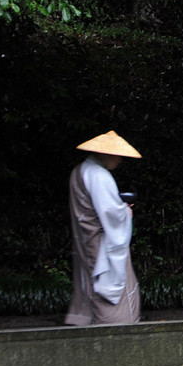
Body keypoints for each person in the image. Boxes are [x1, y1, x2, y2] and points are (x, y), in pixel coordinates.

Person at [66, 130, 142, 326]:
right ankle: (117, 326)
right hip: (102, 242)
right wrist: (125, 212)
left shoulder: (80, 171)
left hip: (86, 238)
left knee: (91, 281)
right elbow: (111, 213)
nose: (119, 160)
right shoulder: (99, 175)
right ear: (105, 153)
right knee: (111, 287)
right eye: (117, 155)